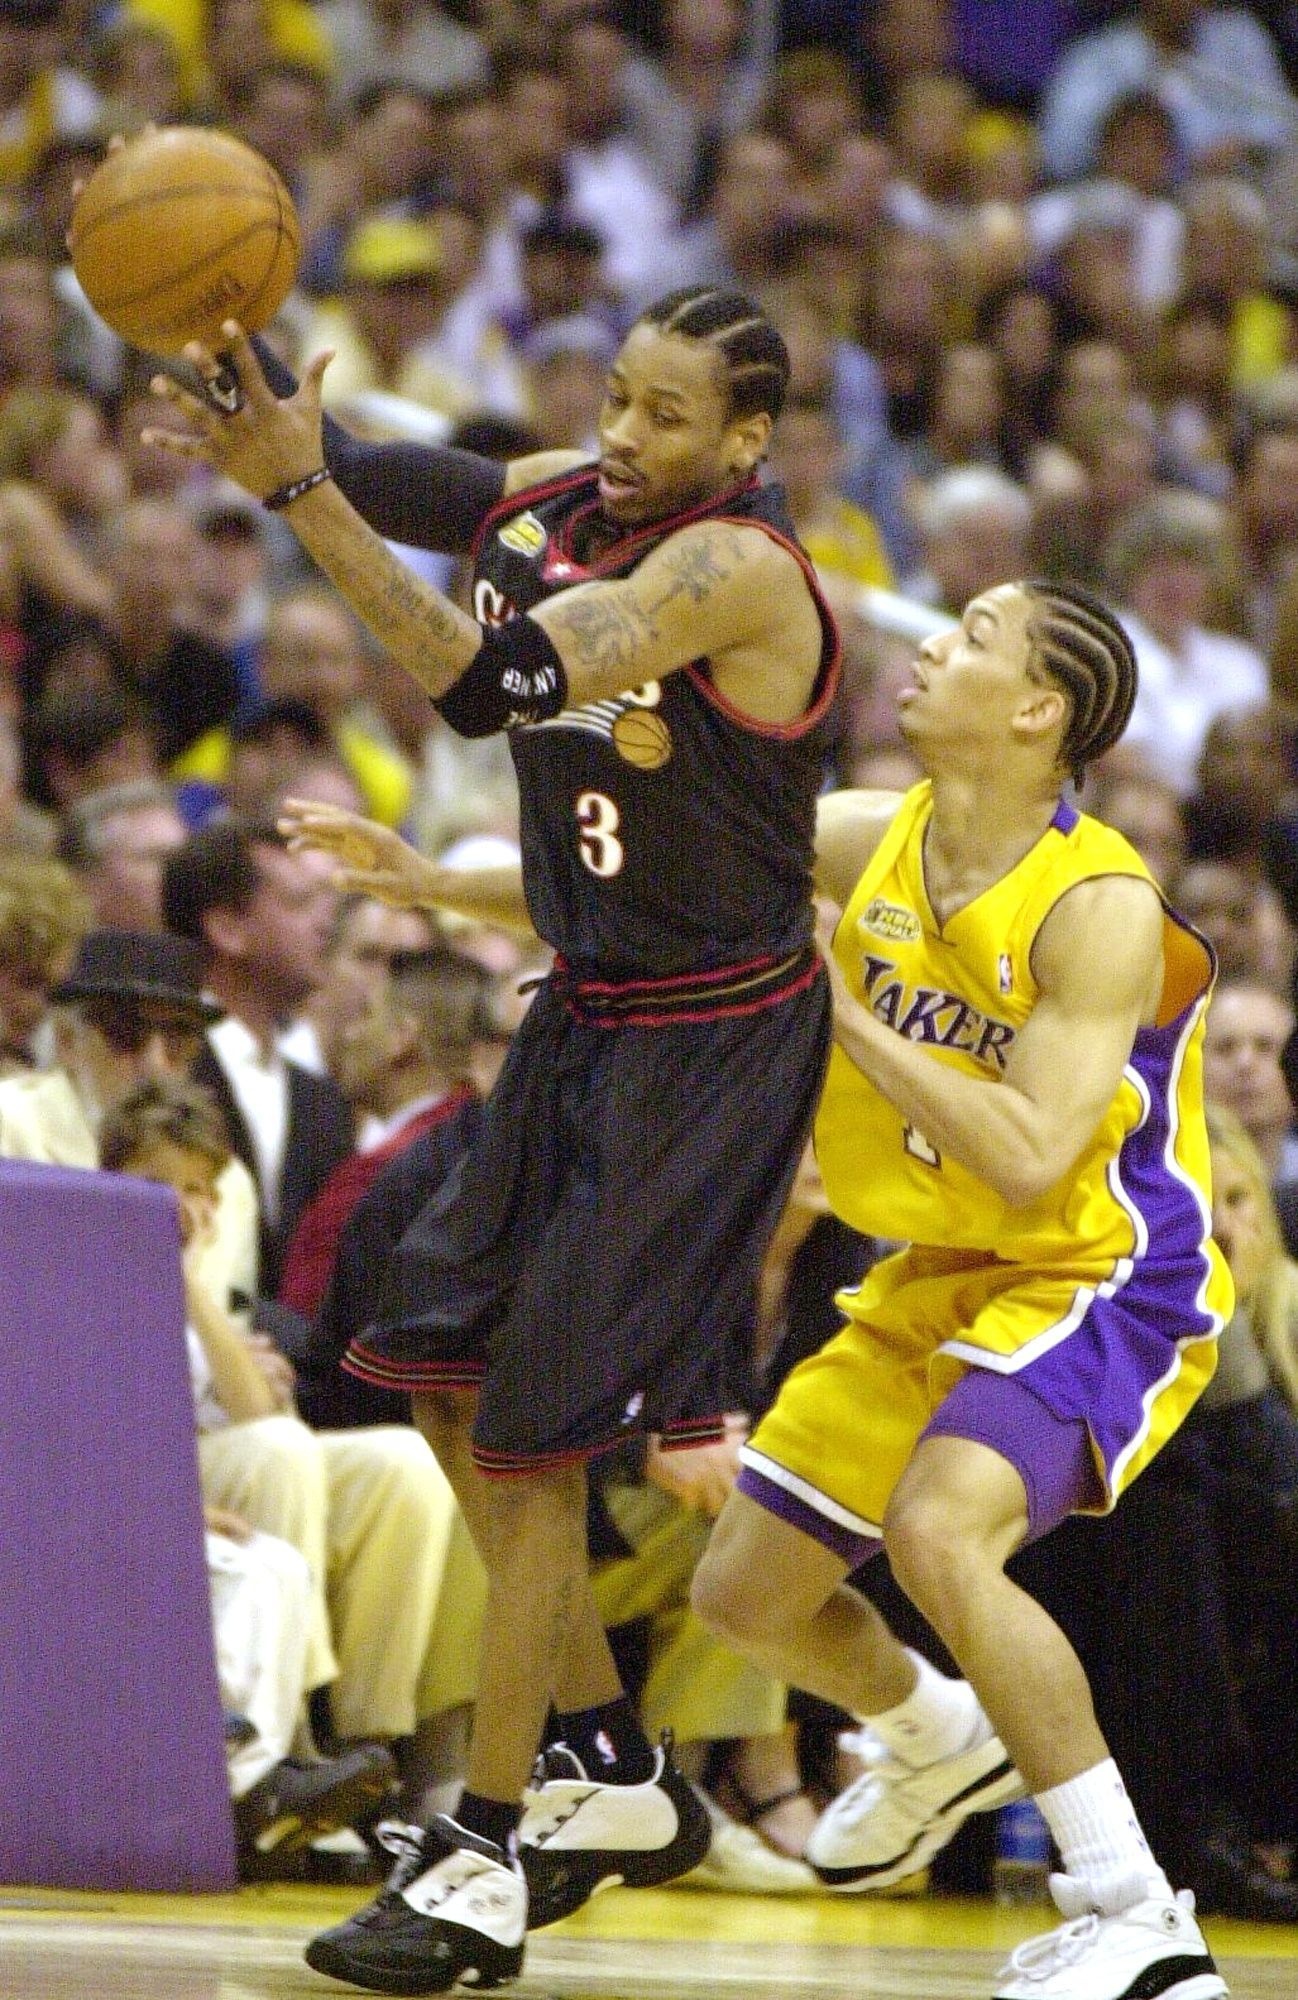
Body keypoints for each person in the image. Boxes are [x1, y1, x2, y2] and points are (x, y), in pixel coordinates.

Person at [144, 283, 839, 1991]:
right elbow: (433, 486)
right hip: (584, 1010)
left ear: (747, 439)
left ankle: (482, 1855)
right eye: (617, 396)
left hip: (712, 1043)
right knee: (443, 1381)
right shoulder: (577, 492)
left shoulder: (732, 571)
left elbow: (488, 684)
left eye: (667, 415)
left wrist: (299, 498)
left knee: (531, 1443)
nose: (624, 435)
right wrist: (267, 409)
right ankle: (606, 1761)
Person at [688, 579, 1233, 2000]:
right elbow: (677, 860)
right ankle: (933, 1735)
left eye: (975, 635)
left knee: (940, 1535)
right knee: (744, 1598)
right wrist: (433, 883)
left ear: (1038, 709)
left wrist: (847, 1017)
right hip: (939, 1266)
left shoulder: (1097, 904)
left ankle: (1134, 1914)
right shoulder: (876, 836)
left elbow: (1033, 1149)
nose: (931, 644)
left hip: (1100, 1268)